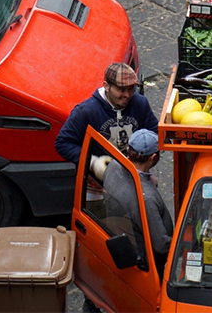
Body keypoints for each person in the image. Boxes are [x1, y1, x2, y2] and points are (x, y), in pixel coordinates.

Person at [102, 129, 173, 278]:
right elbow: (160, 244)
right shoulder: (147, 197)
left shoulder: (114, 166)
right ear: (153, 157)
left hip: (121, 236)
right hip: (147, 263)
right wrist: (183, 244)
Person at [55, 62, 159, 164]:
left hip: (133, 172)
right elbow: (63, 143)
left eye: (131, 89)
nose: (127, 95)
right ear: (106, 86)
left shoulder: (140, 103)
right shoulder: (85, 112)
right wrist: (92, 162)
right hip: (98, 177)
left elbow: (156, 133)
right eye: (121, 90)